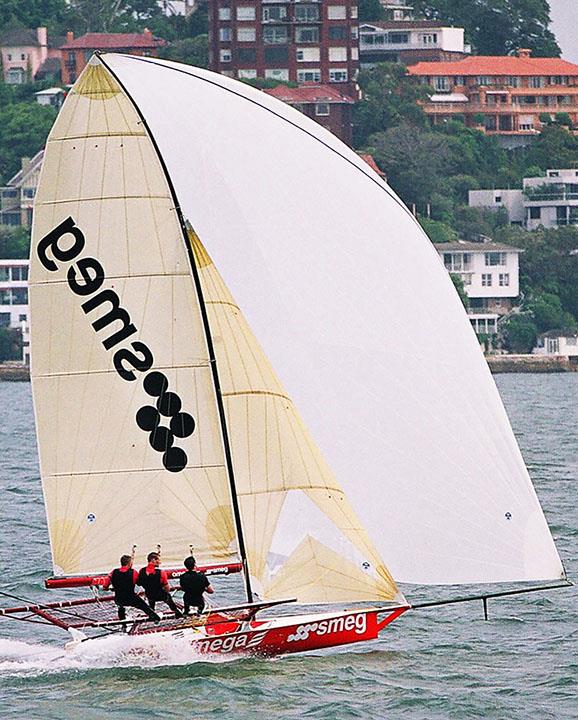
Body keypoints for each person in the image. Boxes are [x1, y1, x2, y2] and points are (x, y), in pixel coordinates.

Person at [100, 554, 161, 623]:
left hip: (119, 599)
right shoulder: (133, 572)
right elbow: (140, 582)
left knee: (120, 606)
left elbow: (105, 586)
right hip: (131, 598)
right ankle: (155, 618)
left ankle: (123, 624)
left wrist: (109, 588)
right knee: (144, 606)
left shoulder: (113, 572)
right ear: (129, 564)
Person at [138, 552, 183, 618]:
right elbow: (167, 588)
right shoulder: (161, 572)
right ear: (153, 560)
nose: (160, 562)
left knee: (151, 603)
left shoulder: (141, 571)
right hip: (161, 595)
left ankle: (152, 614)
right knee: (169, 599)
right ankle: (177, 612)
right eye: (158, 560)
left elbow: (140, 583)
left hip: (149, 595)